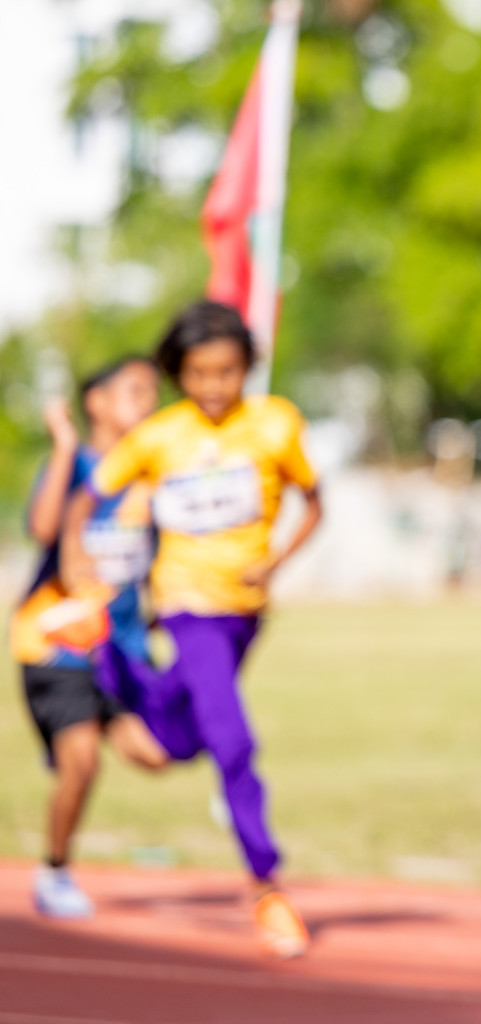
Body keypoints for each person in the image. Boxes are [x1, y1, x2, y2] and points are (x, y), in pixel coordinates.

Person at [61, 300, 324, 959]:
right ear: (179, 373)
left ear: (247, 368)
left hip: (244, 613)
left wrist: (278, 559)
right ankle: (268, 887)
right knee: (231, 742)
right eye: (198, 374)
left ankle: (108, 669)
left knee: (178, 743)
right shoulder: (158, 436)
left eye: (227, 372)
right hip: (183, 606)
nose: (213, 387)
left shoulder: (275, 423)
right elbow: (87, 497)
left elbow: (314, 502)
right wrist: (77, 563)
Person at [10, 358, 169, 919]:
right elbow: (44, 529)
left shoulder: (150, 475)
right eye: (134, 391)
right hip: (59, 642)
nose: (147, 403)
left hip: (122, 650)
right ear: (97, 402)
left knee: (157, 755)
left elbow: (156, 559)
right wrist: (61, 446)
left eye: (153, 393)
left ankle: (66, 740)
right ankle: (55, 873)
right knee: (82, 761)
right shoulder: (75, 464)